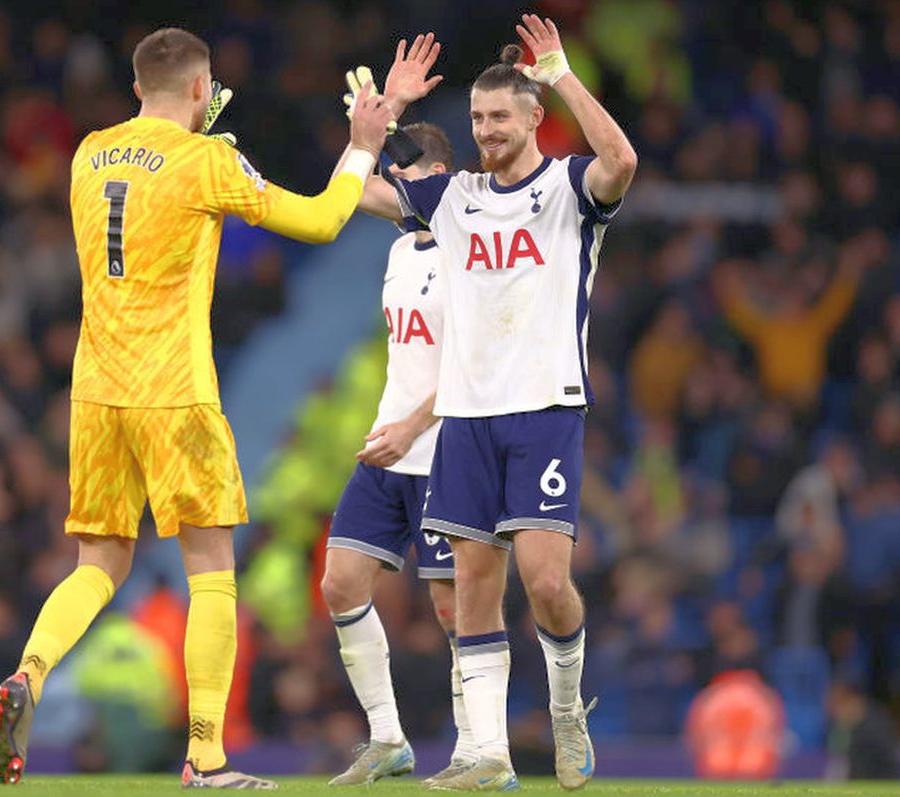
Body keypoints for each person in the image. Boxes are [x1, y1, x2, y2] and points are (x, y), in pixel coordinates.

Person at [0, 26, 397, 789]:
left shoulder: (87, 152)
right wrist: (362, 144)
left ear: (137, 87)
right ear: (203, 90)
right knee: (211, 572)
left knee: (99, 563)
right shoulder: (206, 158)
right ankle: (206, 755)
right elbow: (319, 221)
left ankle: (29, 674)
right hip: (174, 388)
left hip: (95, 389)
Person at [353, 14, 637, 791]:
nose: (486, 130)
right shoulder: (453, 196)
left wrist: (560, 73)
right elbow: (362, 195)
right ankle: (486, 754)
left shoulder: (569, 188)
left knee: (546, 582)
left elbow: (623, 158)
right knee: (473, 590)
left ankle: (567, 707)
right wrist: (376, 120)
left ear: (534, 118)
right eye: (477, 118)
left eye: (500, 117)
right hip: (468, 417)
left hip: (545, 405)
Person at [319, 123, 474, 786]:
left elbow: (478, 362)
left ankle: (477, 746)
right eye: (394, 171)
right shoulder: (400, 252)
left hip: (443, 446)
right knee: (339, 583)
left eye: (409, 172)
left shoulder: (472, 248)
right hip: (390, 447)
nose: (395, 183)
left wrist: (414, 425)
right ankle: (388, 739)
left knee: (453, 608)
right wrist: (369, 130)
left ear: (441, 175)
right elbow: (343, 191)